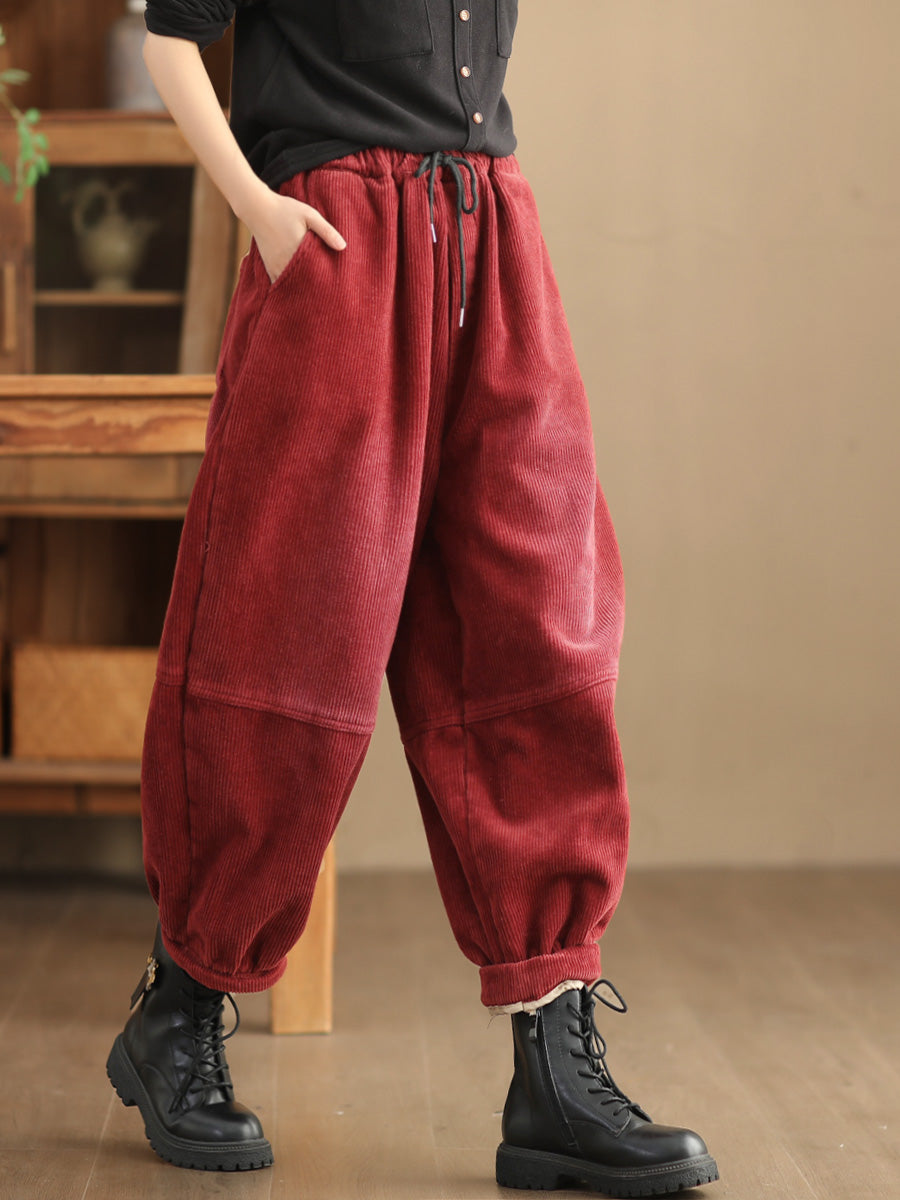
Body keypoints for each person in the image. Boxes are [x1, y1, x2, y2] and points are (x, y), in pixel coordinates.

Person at [105, 2, 719, 1194]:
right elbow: (170, 34)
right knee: (283, 645)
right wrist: (260, 212)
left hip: (494, 241)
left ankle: (554, 1066)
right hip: (339, 253)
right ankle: (180, 1009)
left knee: (536, 639)